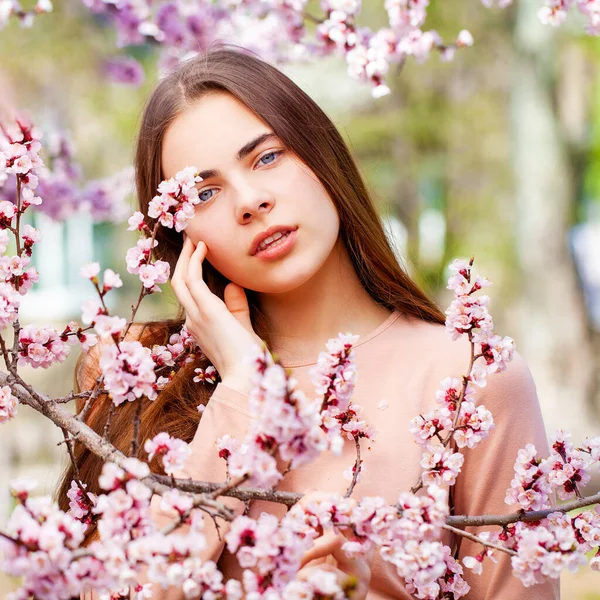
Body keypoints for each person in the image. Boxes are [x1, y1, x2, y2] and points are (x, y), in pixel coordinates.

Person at [56, 46, 559, 599]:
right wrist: (245, 388)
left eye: (267, 157)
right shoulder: (134, 371)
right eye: (204, 192)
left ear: (321, 154)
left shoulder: (472, 377)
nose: (250, 201)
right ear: (181, 236)